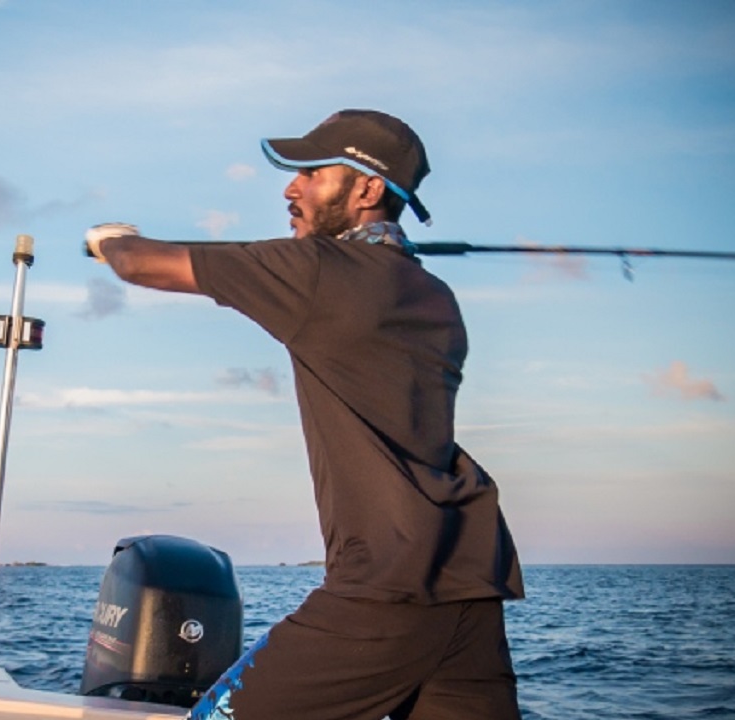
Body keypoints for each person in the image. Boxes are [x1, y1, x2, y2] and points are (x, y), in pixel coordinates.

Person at [84, 109, 524, 720]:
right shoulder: (434, 297)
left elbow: (139, 263)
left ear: (368, 190)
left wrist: (108, 239)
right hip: (470, 580)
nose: (291, 188)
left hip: (384, 588)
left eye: (313, 173)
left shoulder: (316, 275)